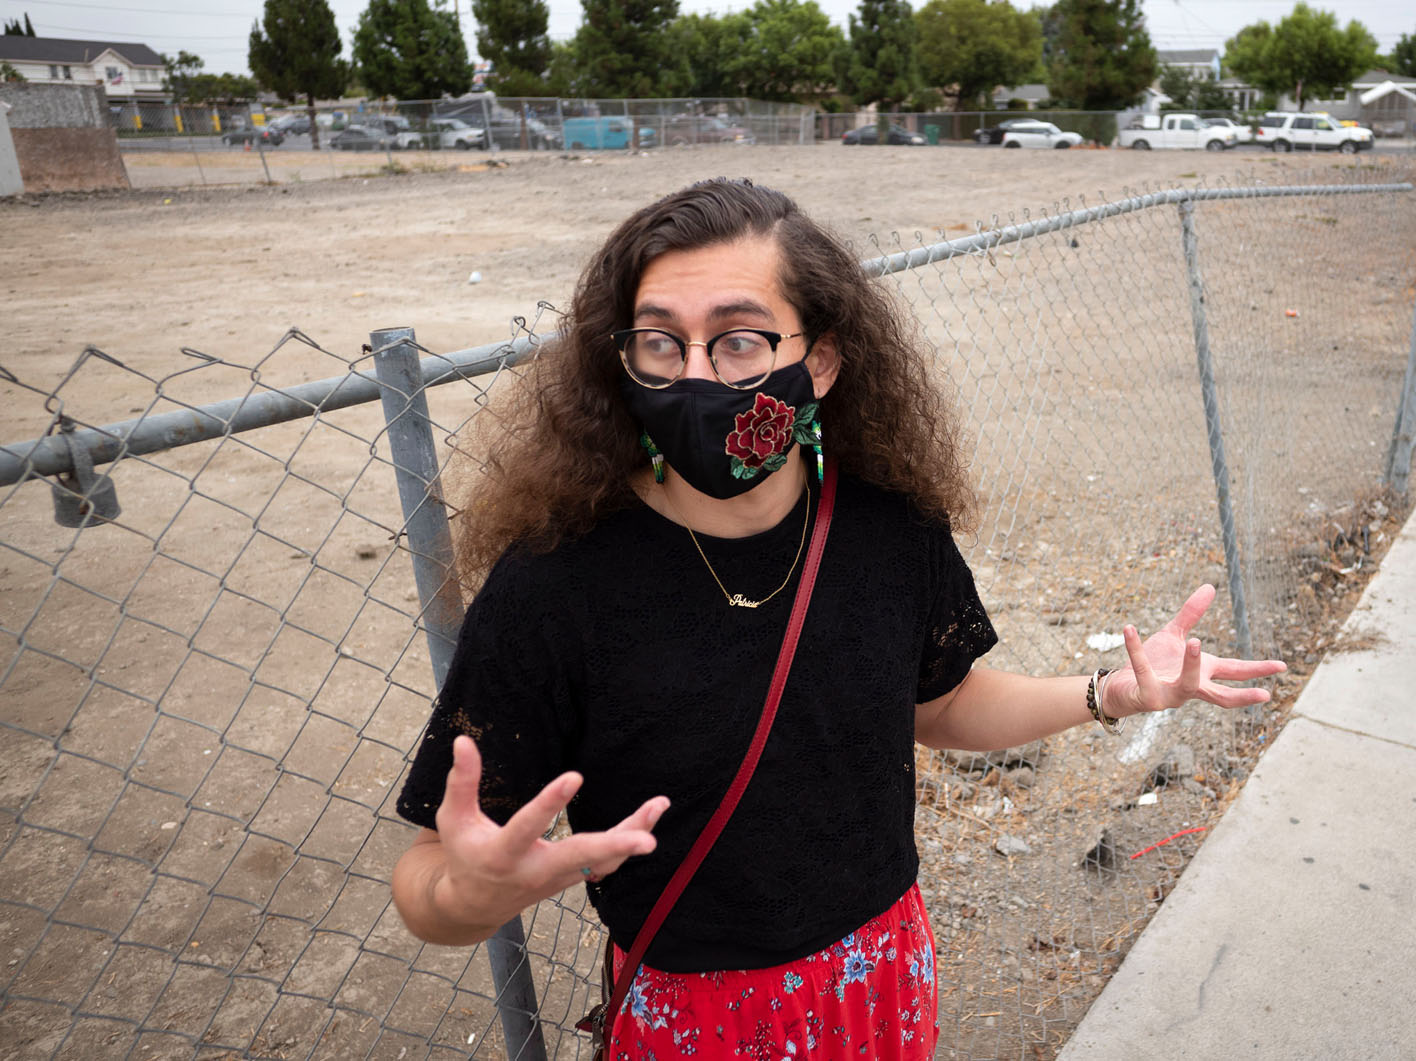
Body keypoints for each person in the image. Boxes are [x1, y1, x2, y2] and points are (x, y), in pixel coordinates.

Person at [389, 178, 1286, 1059]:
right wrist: (474, 892)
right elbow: (430, 875)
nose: (697, 376)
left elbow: (937, 704)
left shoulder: (887, 525)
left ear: (819, 360)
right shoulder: (555, 583)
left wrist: (1107, 694)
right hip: (693, 1019)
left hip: (881, 977)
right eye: (660, 343)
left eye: (740, 340)